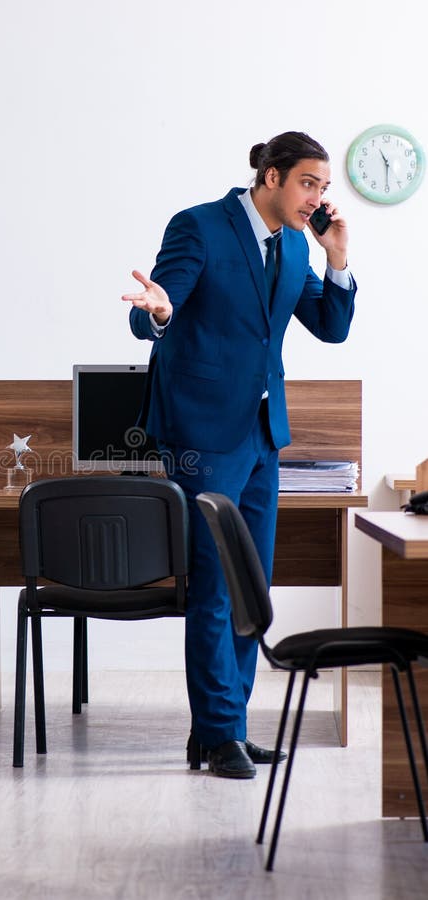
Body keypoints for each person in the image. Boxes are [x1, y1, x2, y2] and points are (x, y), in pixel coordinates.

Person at [122, 132, 356, 779]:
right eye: (309, 183)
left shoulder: (291, 245)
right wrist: (160, 311)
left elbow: (331, 326)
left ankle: (226, 730)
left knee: (251, 588)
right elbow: (152, 311)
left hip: (261, 436)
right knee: (215, 586)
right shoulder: (201, 227)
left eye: (323, 188)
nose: (317, 198)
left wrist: (337, 260)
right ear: (273, 177)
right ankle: (220, 732)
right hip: (201, 434)